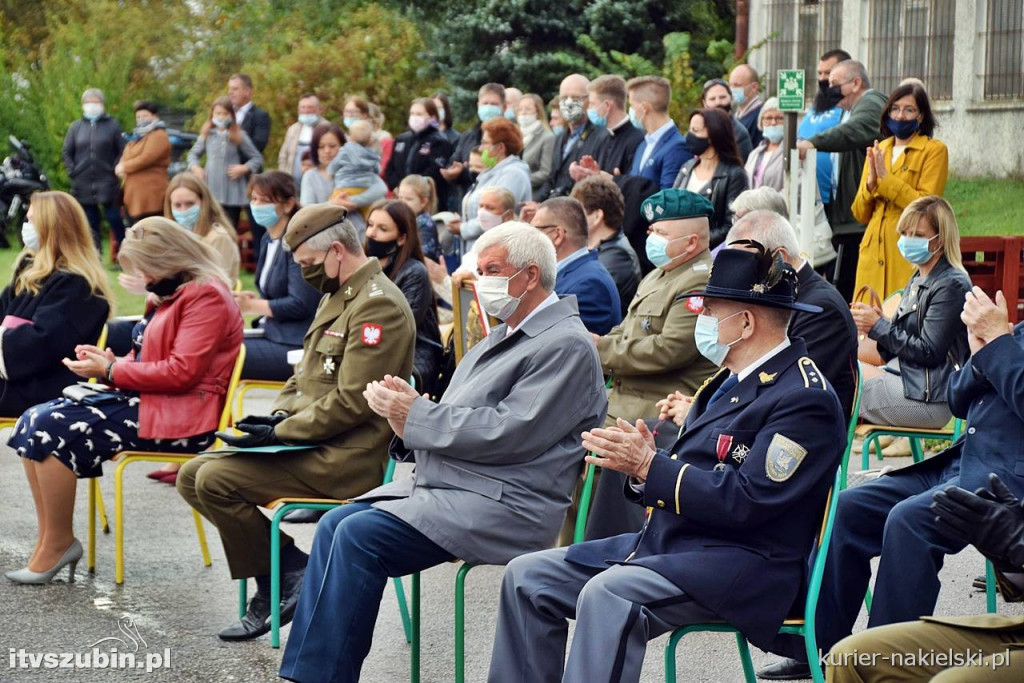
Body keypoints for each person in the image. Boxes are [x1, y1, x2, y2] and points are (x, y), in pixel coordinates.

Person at [489, 244, 844, 683]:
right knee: (528, 575)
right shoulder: (728, 380)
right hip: (676, 544)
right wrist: (645, 468)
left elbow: (749, 501)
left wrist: (649, 467)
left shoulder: (804, 396)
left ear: (746, 322)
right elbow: (693, 467)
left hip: (743, 562)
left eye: (710, 312)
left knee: (609, 595)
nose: (703, 323)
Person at [279, 222, 608, 682]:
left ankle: (322, 677)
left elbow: (510, 432)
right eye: (480, 269)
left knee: (359, 536)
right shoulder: (506, 333)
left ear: (531, 276)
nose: (481, 281)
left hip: (507, 502)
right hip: (460, 487)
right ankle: (307, 674)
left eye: (493, 270)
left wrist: (416, 415)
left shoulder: (564, 344)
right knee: (335, 525)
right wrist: (406, 414)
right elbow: (462, 415)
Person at [757, 265, 1020, 682]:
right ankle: (814, 645)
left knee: (910, 520)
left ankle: (882, 666)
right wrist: (980, 349)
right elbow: (958, 399)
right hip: (956, 462)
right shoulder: (1016, 334)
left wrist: (1000, 345)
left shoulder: (1002, 329)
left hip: (1002, 480)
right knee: (848, 507)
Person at [177, 204, 415, 641]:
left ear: (337, 251)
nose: (307, 274)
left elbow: (353, 402)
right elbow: (304, 376)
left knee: (213, 480)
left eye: (308, 264)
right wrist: (275, 418)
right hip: (314, 441)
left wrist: (281, 433)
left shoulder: (377, 308)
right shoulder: (339, 294)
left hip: (348, 456)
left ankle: (278, 583)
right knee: (192, 475)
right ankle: (288, 570)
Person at [5, 217, 242, 585]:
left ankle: (57, 543)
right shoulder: (171, 293)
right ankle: (52, 539)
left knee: (50, 426)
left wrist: (111, 372)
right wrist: (108, 363)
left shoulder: (206, 296)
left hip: (182, 419)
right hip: (154, 405)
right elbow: (148, 357)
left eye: (146, 268)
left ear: (171, 258)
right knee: (33, 419)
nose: (143, 278)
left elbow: (182, 372)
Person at [584, 189, 718, 541]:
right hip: (624, 398)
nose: (651, 239)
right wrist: (603, 342)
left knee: (586, 461)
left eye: (660, 233)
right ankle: (569, 555)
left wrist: (601, 350)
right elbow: (625, 330)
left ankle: (597, 551)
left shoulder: (699, 280)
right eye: (651, 231)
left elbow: (669, 349)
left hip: (659, 405)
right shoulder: (660, 274)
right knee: (560, 444)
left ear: (691, 243)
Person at [823, 474, 1024, 682]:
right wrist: (1009, 559)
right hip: (961, 459)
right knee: (850, 657)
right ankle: (816, 646)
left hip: (1002, 464)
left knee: (908, 519)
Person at [852, 196, 970, 429]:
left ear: (940, 239)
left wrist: (879, 326)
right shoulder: (918, 277)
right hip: (907, 380)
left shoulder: (951, 285)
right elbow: (895, 348)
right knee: (839, 372)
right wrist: (877, 324)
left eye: (917, 235)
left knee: (842, 383)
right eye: (904, 233)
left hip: (930, 398)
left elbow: (929, 351)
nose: (907, 241)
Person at [725, 210, 858, 418]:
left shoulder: (821, 308)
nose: (737, 272)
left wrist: (718, 410)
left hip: (798, 424)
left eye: (744, 262)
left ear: (779, 258)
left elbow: (789, 387)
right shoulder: (777, 294)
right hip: (758, 411)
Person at [0, 191, 111, 417]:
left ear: (53, 228)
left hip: (38, 387)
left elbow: (40, 344)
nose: (26, 227)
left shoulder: (79, 287)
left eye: (32, 221)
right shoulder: (29, 273)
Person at [797, 59, 887, 301]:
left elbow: (856, 131)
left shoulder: (871, 102)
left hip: (860, 222)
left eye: (835, 83)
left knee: (853, 292)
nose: (829, 88)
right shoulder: (847, 111)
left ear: (856, 83)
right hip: (847, 219)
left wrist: (813, 142)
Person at [852, 81, 949, 297]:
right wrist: (870, 185)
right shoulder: (879, 149)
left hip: (908, 248)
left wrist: (885, 180)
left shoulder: (934, 150)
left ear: (921, 115)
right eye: (895, 109)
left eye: (909, 110)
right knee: (866, 322)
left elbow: (926, 205)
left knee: (902, 317)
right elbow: (859, 213)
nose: (900, 116)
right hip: (871, 251)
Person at [235, 171, 320, 381]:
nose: (256, 205)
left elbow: (300, 304)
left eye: (265, 200)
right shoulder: (268, 238)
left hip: (295, 344)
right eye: (253, 199)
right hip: (273, 331)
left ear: (288, 204)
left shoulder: (297, 244)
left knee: (220, 356)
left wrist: (252, 306)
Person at [365, 200, 443, 396]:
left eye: (382, 229)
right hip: (370, 348)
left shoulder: (414, 272)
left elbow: (399, 329)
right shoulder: (363, 266)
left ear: (401, 238)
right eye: (370, 225)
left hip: (412, 355)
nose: (371, 234)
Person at [531, 197, 621, 335]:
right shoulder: (577, 274)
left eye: (535, 230)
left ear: (557, 235)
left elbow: (558, 343)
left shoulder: (590, 284)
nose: (529, 237)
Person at [452, 117, 531, 254]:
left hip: (497, 251)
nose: (481, 148)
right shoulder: (491, 172)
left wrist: (463, 228)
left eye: (485, 143)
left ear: (500, 148)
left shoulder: (513, 174)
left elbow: (497, 214)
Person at [673, 108, 749, 248]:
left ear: (714, 135)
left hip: (710, 254)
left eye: (695, 130)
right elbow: (670, 205)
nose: (689, 136)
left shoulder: (734, 175)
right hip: (679, 250)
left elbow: (732, 225)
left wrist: (696, 243)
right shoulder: (687, 167)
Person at [62, 88, 125, 249]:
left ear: (103, 104)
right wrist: (73, 170)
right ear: (83, 105)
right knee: (90, 222)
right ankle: (95, 255)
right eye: (89, 102)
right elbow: (67, 152)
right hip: (82, 181)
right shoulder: (76, 127)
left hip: (107, 180)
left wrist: (114, 168)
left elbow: (122, 150)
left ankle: (125, 251)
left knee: (114, 218)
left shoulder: (112, 126)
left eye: (96, 102)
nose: (92, 106)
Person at [187, 96, 263, 229]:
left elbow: (256, 158)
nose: (221, 117)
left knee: (230, 227)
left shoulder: (239, 135)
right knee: (210, 227)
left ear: (231, 115)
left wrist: (244, 168)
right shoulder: (207, 135)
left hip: (232, 192)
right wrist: (196, 168)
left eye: (225, 113)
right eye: (218, 113)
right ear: (212, 115)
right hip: (211, 188)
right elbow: (193, 154)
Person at [570, 175, 641, 314]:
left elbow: (581, 294)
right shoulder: (597, 249)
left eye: (577, 212)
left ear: (597, 216)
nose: (570, 218)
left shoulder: (618, 256)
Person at [534, 74, 610, 201]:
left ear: (589, 100)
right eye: (564, 97)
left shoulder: (602, 136)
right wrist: (537, 203)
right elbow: (552, 178)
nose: (568, 103)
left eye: (576, 97)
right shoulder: (560, 138)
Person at [797, 49, 852, 212]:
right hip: (808, 195)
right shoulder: (817, 105)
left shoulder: (848, 108)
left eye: (828, 73)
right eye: (819, 73)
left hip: (835, 199)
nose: (822, 79)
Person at [165, 172, 240, 283]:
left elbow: (216, 286)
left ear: (204, 202)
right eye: (177, 205)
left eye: (190, 204)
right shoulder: (173, 237)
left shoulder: (218, 238)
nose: (183, 210)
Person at [441, 83, 506, 211]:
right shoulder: (468, 136)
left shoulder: (508, 138)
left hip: (494, 205)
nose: (488, 108)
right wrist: (454, 172)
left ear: (504, 107)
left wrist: (468, 170)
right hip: (467, 203)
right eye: (485, 103)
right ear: (478, 105)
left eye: (493, 104)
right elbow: (454, 161)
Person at [384, 98, 453, 214]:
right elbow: (390, 167)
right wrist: (399, 187)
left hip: (427, 202)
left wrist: (412, 188)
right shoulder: (402, 139)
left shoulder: (440, 141)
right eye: (412, 113)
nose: (415, 117)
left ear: (433, 117)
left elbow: (434, 170)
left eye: (419, 114)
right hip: (400, 196)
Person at [116, 100, 171, 228]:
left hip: (151, 197)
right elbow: (125, 155)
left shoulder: (159, 135)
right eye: (138, 117)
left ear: (155, 117)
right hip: (133, 196)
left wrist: (124, 167)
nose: (141, 119)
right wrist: (120, 166)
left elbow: (147, 158)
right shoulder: (135, 137)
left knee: (151, 230)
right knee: (135, 231)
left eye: (145, 116)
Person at [326, 119, 389, 226]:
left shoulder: (344, 151)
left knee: (331, 212)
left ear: (349, 137)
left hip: (344, 189)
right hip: (364, 188)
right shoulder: (372, 153)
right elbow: (377, 170)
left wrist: (330, 172)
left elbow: (334, 166)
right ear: (370, 140)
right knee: (371, 216)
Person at [587, 74, 645, 175]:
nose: (589, 109)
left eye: (592, 104)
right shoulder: (601, 137)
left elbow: (635, 185)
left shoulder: (637, 140)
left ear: (607, 105)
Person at [278, 94, 328, 185]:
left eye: (310, 107)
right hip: (292, 184)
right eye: (303, 107)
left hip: (319, 182)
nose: (306, 111)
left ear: (319, 109)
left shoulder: (327, 129)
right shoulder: (293, 129)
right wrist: (283, 177)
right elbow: (283, 155)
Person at [700, 78, 754, 161]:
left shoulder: (739, 134)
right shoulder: (697, 130)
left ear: (731, 99)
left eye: (722, 97)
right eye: (712, 99)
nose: (718, 102)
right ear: (704, 103)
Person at [397, 175, 442, 262]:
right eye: (400, 197)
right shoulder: (403, 220)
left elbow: (423, 257)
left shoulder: (426, 225)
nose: (402, 203)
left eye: (408, 199)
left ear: (423, 202)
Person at [744, 97, 784, 192]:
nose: (773, 122)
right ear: (761, 122)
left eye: (779, 118)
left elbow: (795, 189)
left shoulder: (794, 152)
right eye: (769, 118)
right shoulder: (754, 154)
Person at [518, 93, 556, 193]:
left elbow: (545, 172)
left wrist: (521, 180)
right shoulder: (517, 136)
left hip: (534, 193)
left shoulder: (547, 137)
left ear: (538, 112)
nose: (523, 113)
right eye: (520, 109)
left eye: (528, 109)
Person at [300, 122, 346, 206]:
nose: (327, 151)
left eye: (332, 146)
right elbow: (306, 211)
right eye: (321, 147)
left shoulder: (353, 172)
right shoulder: (310, 176)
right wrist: (333, 204)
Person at [228, 73, 271, 153]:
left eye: (235, 89)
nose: (230, 92)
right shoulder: (225, 113)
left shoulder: (260, 116)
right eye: (229, 89)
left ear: (247, 91)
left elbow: (257, 147)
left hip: (246, 164)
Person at [729, 64, 765, 148]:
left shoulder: (762, 115)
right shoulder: (734, 115)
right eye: (730, 85)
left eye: (737, 85)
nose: (732, 90)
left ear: (754, 87)